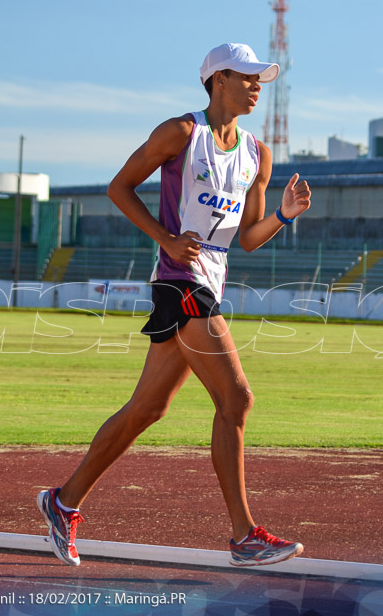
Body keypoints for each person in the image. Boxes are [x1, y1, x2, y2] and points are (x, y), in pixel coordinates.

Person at [37, 43, 312, 569]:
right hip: (179, 281)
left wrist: (284, 214)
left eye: (261, 79)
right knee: (237, 400)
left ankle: (62, 501)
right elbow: (119, 188)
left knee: (148, 409)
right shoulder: (181, 134)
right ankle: (242, 536)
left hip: (213, 278)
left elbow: (248, 239)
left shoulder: (258, 153)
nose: (257, 86)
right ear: (217, 80)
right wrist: (164, 238)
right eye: (248, 77)